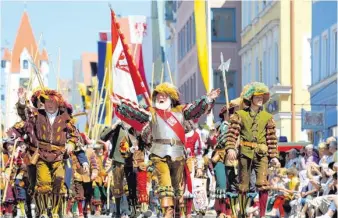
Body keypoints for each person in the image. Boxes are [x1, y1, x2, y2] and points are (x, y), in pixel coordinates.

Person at [110, 82, 220, 218]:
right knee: (165, 187)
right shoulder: (152, 112)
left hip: (178, 154)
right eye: (158, 95)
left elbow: (195, 108)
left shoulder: (181, 111)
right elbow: (136, 111)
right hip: (158, 154)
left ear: (171, 98)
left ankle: (177, 212)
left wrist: (207, 99)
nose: (160, 97)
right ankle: (167, 213)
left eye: (164, 95)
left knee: (177, 191)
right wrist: (120, 104)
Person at [7, 88, 89, 218]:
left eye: (52, 102)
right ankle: (43, 212)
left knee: (59, 183)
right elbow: (24, 115)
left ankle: (56, 212)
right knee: (43, 184)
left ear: (58, 103)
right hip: (41, 156)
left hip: (59, 156)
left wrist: (71, 144)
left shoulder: (65, 118)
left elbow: (75, 136)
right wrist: (22, 100)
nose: (49, 104)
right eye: (46, 101)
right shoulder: (36, 115)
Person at [223, 82, 279, 218]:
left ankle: (262, 215)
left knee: (263, 184)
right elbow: (232, 134)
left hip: (262, 154)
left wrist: (274, 156)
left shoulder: (268, 117)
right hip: (244, 153)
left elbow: (271, 138)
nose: (260, 99)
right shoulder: (240, 115)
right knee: (243, 185)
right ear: (251, 98)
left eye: (262, 97)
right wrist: (230, 148)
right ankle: (242, 213)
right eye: (257, 97)